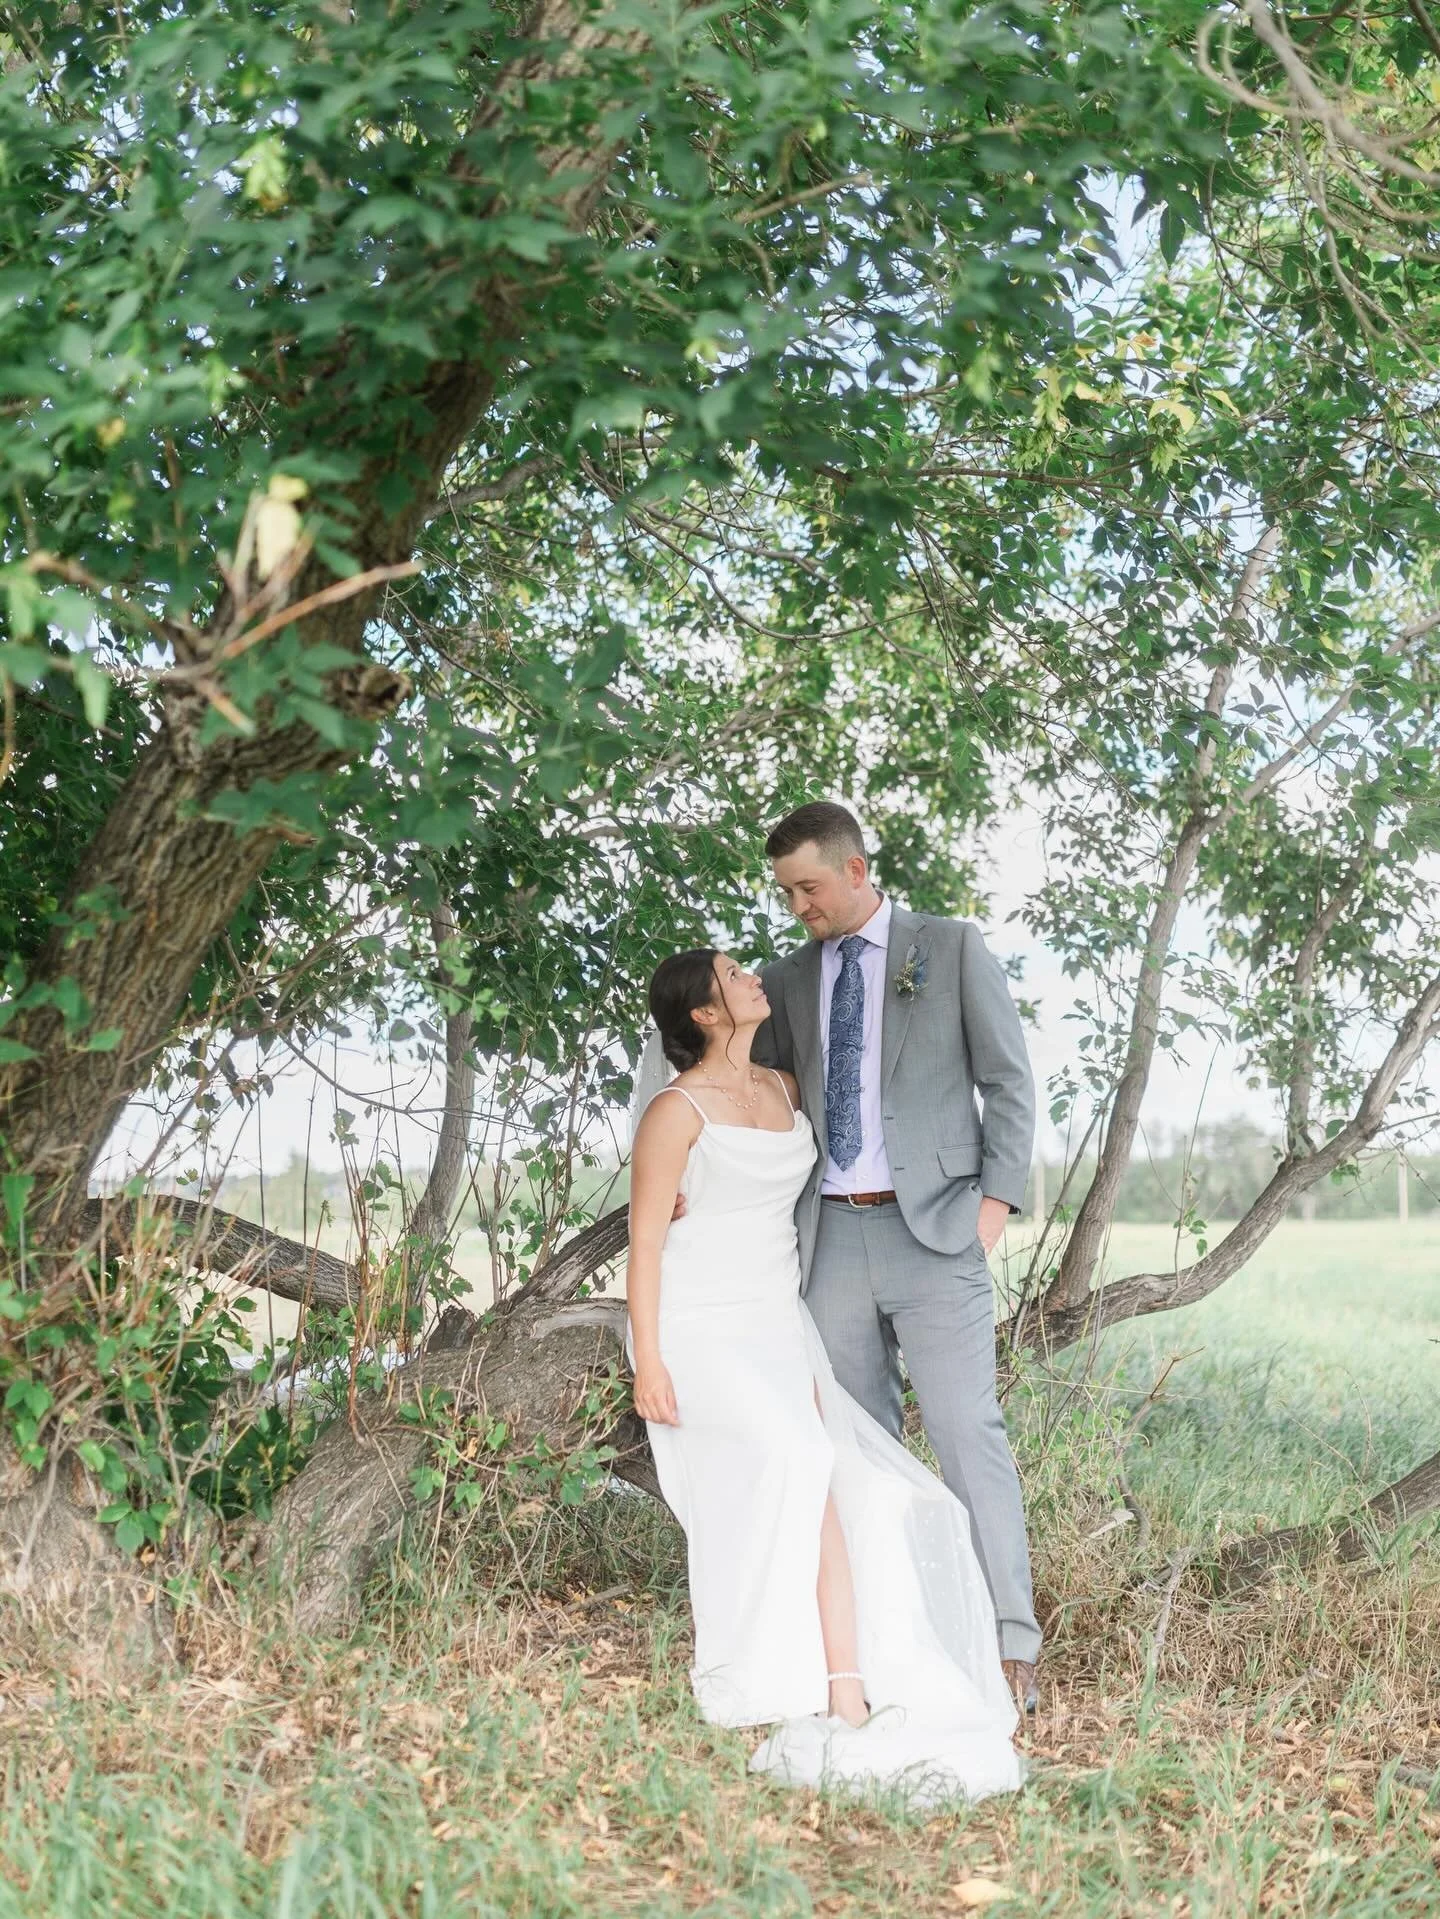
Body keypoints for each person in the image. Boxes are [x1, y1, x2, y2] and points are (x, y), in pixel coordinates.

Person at [626, 947, 1022, 1806]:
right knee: (793, 1457)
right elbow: (648, 1239)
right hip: (699, 1323)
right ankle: (782, 1671)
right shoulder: (673, 1111)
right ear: (702, 1012)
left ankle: (849, 1681)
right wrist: (649, 1357)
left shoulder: (784, 1090)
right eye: (734, 975)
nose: (753, 978)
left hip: (776, 1317)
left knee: (843, 1477)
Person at [750, 800, 1042, 1713]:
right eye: (786, 891)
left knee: (965, 1433)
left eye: (809, 886)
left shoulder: (948, 949)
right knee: (862, 1448)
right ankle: (899, 1633)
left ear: (857, 870)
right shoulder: (789, 978)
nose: (799, 905)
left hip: (939, 1234)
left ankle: (1009, 1644)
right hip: (830, 1238)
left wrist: (991, 1211)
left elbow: (1009, 1083)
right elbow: (758, 1086)